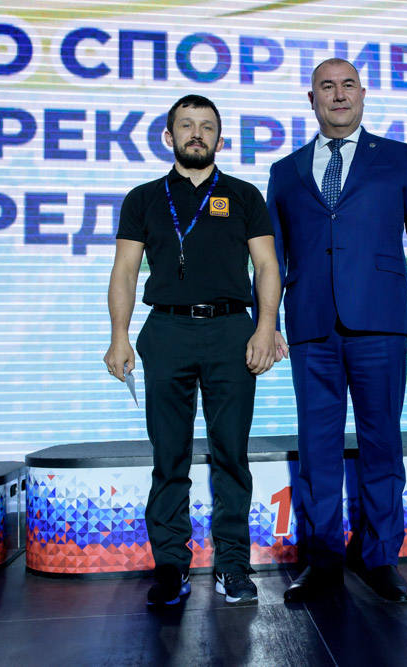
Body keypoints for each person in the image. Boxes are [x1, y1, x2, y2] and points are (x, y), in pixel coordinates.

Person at [265, 59, 407, 602]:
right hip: (310, 326)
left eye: (348, 85)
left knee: (382, 442)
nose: (339, 94)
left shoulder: (397, 158)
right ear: (312, 99)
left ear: (363, 94)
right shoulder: (285, 170)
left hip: (380, 320)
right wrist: (266, 321)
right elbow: (271, 257)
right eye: (327, 86)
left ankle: (380, 557)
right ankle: (322, 559)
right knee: (316, 447)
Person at [104, 94, 281, 607]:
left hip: (230, 331)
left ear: (220, 141)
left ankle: (233, 565)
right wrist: (119, 334)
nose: (196, 133)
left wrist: (265, 327)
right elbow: (125, 271)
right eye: (186, 125)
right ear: (169, 136)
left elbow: (267, 267)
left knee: (231, 455)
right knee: (169, 456)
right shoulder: (143, 198)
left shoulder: (244, 195)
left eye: (206, 126)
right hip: (167, 331)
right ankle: (171, 566)